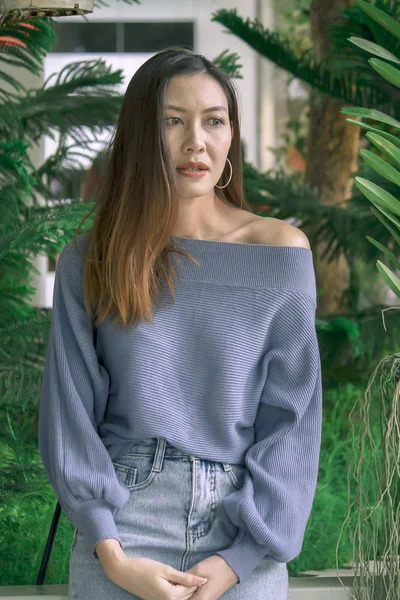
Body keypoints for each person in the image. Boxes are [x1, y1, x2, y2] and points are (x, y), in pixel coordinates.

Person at [38, 46, 323, 600]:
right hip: (124, 526)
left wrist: (241, 557)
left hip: (242, 530)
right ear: (142, 135)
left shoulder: (282, 253)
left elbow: (293, 420)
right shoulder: (92, 258)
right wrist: (113, 558)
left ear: (230, 136)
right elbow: (70, 413)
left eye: (214, 121)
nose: (197, 142)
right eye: (173, 122)